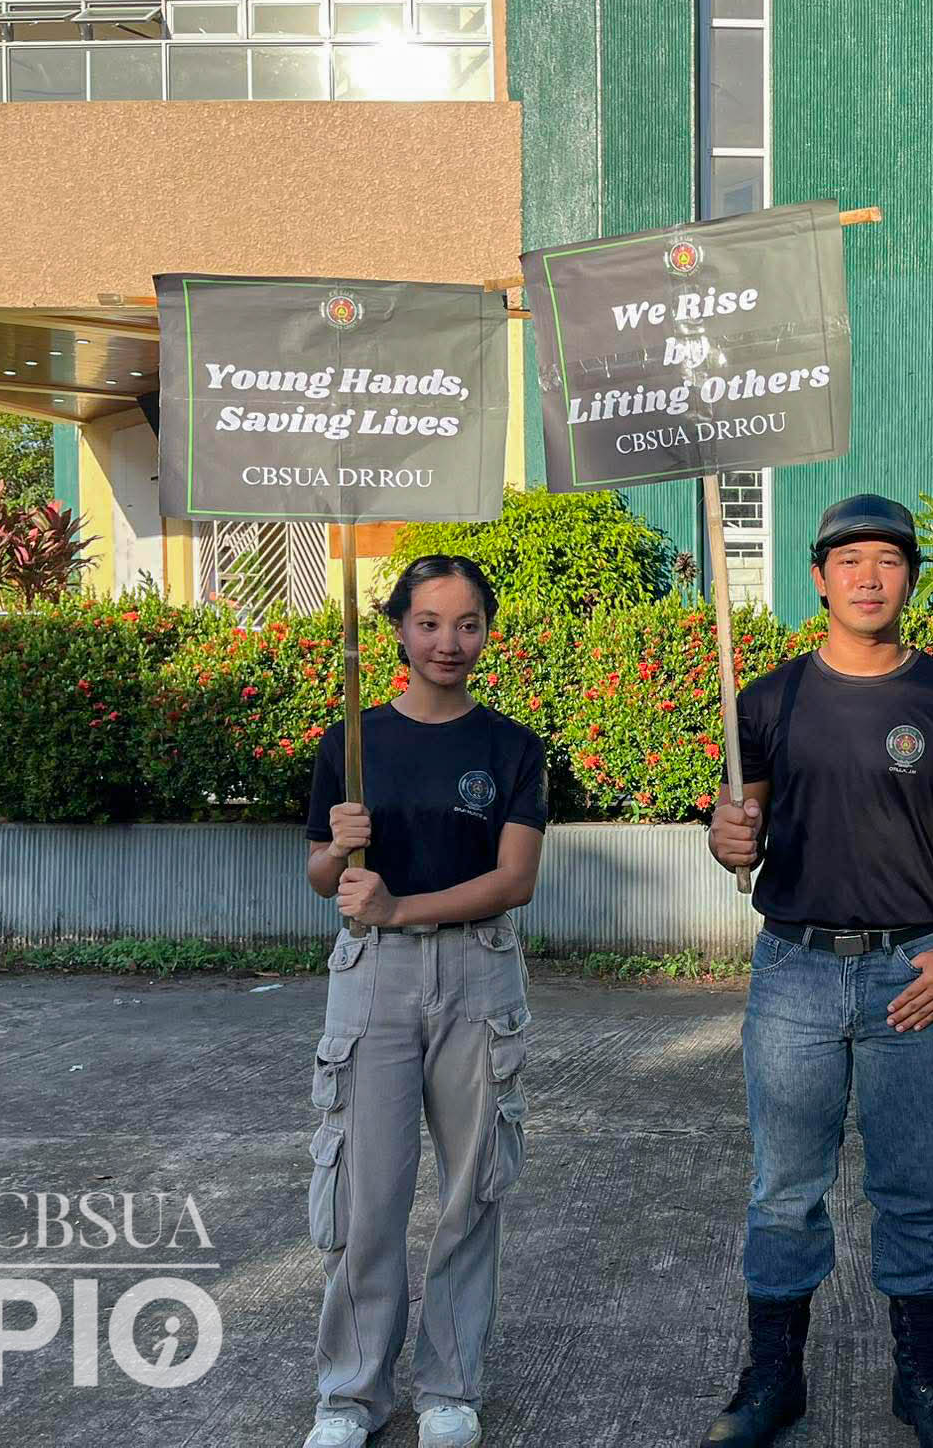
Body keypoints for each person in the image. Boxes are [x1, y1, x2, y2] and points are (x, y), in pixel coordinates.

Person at [702, 493, 933, 1448]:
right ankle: (773, 1381)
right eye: (849, 561)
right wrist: (726, 838)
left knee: (915, 1187)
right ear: (819, 578)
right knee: (784, 1188)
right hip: (794, 971)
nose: (869, 577)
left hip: (911, 973)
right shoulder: (768, 700)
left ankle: (922, 1381)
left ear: (910, 578)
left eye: (888, 560)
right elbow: (739, 828)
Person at [299, 554, 549, 1448]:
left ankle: (450, 1385)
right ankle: (350, 1395)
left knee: (472, 1189)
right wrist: (339, 849)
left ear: (487, 632)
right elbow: (321, 875)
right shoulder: (352, 742)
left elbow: (514, 881)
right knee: (366, 1194)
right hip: (375, 977)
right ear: (399, 629)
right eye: (431, 623)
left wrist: (401, 906)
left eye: (468, 623)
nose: (450, 641)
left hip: (479, 972)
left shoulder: (513, 748)